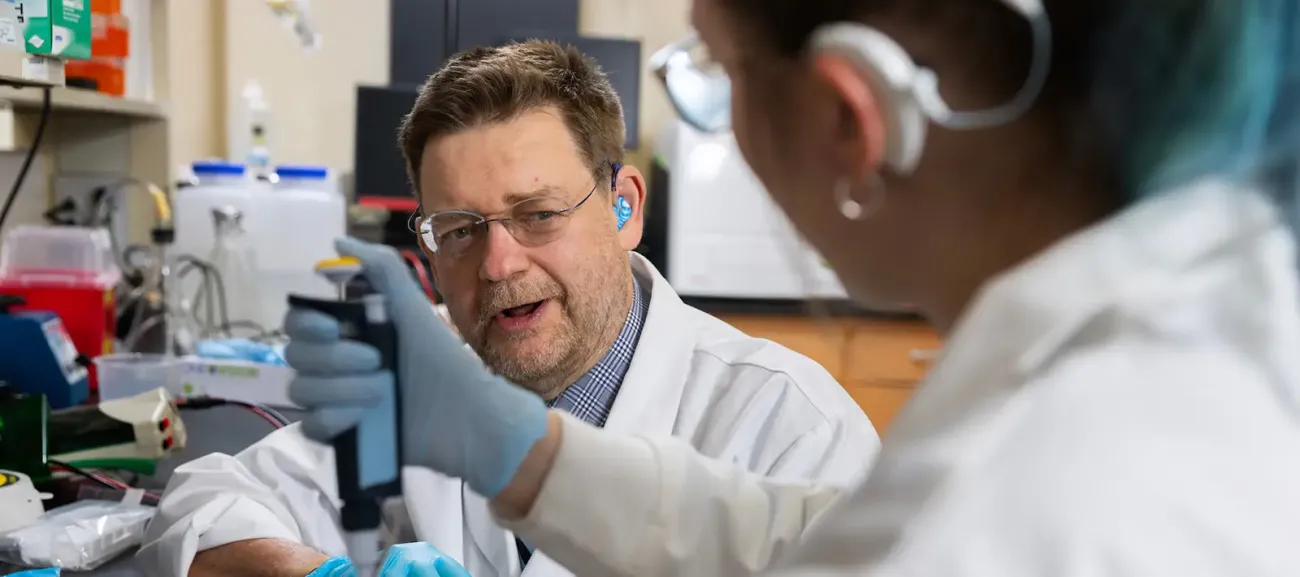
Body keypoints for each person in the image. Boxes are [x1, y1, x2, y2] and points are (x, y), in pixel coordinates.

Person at [288, 0, 1300, 574]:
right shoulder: (1178, 343)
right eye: (462, 230)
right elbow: (805, 548)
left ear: (848, 121)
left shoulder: (1048, 504)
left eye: (716, 74)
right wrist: (523, 454)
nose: (499, 261)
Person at [136, 40, 881, 577]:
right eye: (458, 230)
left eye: (539, 214)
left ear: (623, 208)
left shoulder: (789, 427)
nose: (497, 264)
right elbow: (201, 503)